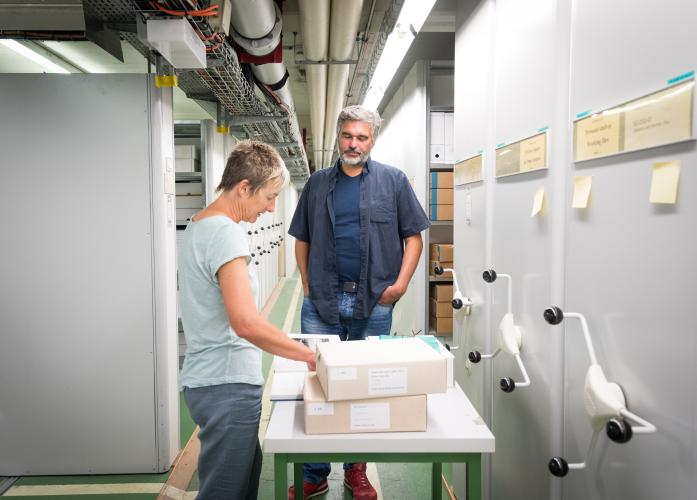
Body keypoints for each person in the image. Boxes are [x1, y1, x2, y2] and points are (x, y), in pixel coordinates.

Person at [288, 105, 430, 500]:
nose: (354, 144)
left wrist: (400, 284)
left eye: (361, 137)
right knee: (317, 383)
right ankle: (315, 475)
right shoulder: (317, 184)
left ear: (373, 140)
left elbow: (414, 237)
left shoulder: (394, 181)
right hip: (322, 301)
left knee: (367, 388)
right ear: (339, 136)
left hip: (375, 300)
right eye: (348, 135)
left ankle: (357, 471)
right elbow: (302, 236)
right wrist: (306, 282)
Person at [178, 140, 316, 500]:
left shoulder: (200, 224)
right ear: (244, 188)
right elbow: (246, 323)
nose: (271, 208)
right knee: (225, 492)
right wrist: (311, 356)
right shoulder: (224, 232)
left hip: (211, 381)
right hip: (227, 386)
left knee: (240, 484)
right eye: (269, 197)